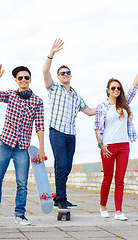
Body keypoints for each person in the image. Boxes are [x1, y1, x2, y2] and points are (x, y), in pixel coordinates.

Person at [95, 59, 138, 221]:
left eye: (118, 88)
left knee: (120, 180)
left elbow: (134, 87)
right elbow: (97, 128)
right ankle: (103, 207)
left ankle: (118, 211)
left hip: (124, 145)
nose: (116, 90)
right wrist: (101, 145)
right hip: (108, 146)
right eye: (113, 88)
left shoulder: (124, 104)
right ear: (108, 90)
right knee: (107, 178)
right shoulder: (102, 107)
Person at [42, 39, 95, 211]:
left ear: (71, 75)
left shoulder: (76, 96)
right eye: (62, 73)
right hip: (57, 132)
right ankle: (61, 198)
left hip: (71, 135)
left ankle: (59, 195)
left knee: (67, 167)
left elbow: (88, 111)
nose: (65, 75)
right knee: (61, 164)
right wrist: (52, 53)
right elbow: (45, 71)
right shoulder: (54, 88)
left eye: (67, 73)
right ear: (58, 77)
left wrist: (109, 106)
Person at [0, 63, 45, 225]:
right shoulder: (11, 95)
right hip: (5, 143)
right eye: (20, 78)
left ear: (30, 80)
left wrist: (41, 149)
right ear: (16, 80)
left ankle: (20, 214)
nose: (23, 80)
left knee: (22, 183)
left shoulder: (37, 101)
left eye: (26, 77)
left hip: (23, 148)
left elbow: (40, 126)